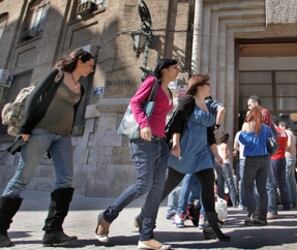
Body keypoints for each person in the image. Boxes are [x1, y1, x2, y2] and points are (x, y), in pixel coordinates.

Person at [0, 48, 95, 247]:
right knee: (22, 177)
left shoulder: (81, 87)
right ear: (79, 60)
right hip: (40, 132)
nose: (92, 69)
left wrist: (68, 131)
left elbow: (74, 110)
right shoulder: (57, 74)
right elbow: (35, 97)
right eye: (90, 64)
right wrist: (26, 128)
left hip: (62, 137)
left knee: (66, 180)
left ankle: (53, 231)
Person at [136, 74, 231, 242]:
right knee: (164, 189)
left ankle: (211, 228)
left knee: (208, 190)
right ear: (199, 86)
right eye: (207, 83)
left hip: (201, 156)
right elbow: (176, 122)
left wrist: (217, 156)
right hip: (184, 153)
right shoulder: (188, 100)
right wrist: (175, 144)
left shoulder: (207, 105)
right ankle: (144, 215)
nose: (210, 86)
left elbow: (209, 136)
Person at [95, 59, 178, 250]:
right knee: (143, 185)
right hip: (144, 140)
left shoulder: (169, 90)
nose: (177, 70)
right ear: (164, 69)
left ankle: (146, 236)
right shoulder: (152, 82)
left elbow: (161, 113)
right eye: (174, 67)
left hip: (161, 142)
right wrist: (144, 124)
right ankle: (107, 216)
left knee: (157, 190)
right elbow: (135, 102)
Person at [238, 107, 273, 226]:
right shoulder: (267, 128)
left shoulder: (248, 126)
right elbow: (272, 142)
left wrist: (243, 131)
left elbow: (244, 141)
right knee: (262, 188)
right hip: (265, 159)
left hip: (252, 160)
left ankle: (252, 214)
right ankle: (262, 216)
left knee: (248, 187)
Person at [266, 120, 290, 219]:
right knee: (283, 182)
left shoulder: (272, 131)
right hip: (282, 157)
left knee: (272, 183)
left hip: (273, 158)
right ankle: (286, 204)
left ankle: (274, 205)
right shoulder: (284, 132)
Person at [215, 133, 238, 207]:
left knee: (220, 185)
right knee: (230, 184)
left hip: (218, 165)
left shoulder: (217, 146)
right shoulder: (225, 145)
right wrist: (232, 154)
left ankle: (221, 203)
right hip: (225, 165)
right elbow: (225, 156)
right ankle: (235, 203)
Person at [282, 122, 297, 209]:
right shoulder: (292, 133)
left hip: (288, 157)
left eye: (281, 127)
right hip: (292, 157)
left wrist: (280, 148)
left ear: (284, 126)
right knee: (292, 180)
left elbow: (288, 145)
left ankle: (289, 201)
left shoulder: (287, 133)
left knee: (287, 180)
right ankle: (294, 201)